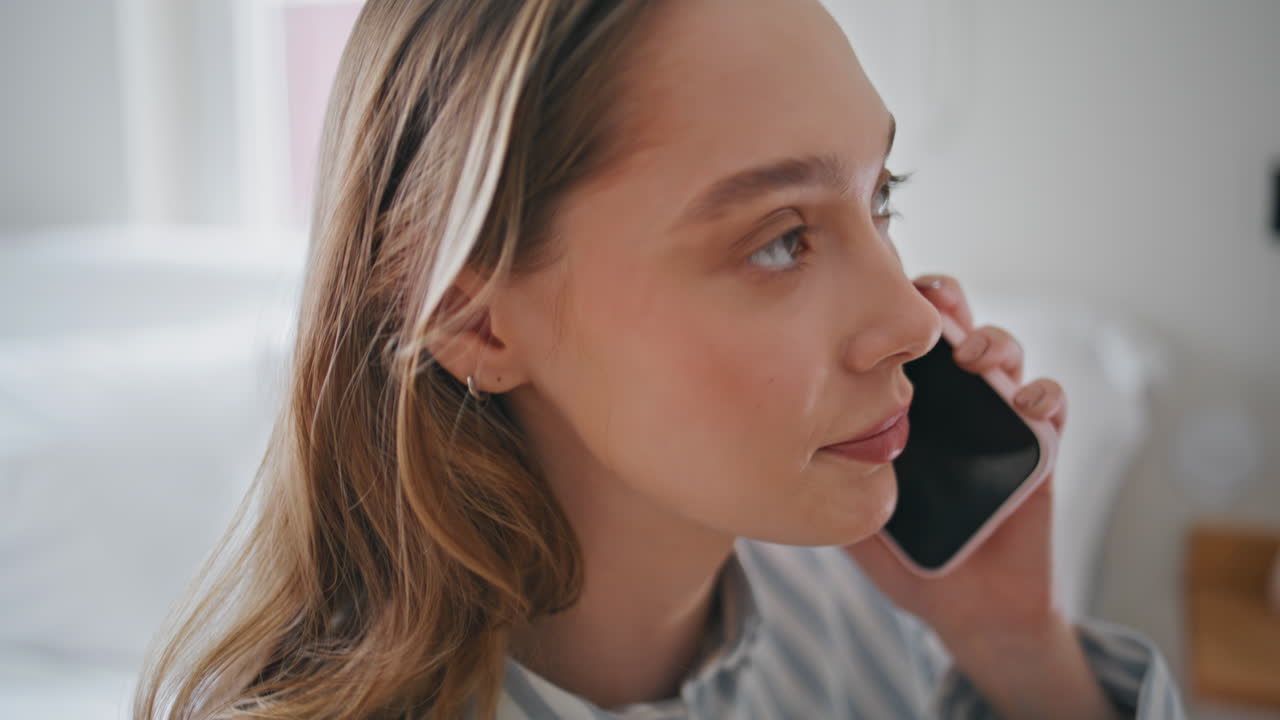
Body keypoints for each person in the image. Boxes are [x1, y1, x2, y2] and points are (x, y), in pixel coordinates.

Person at [133, 1, 1187, 718]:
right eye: (779, 238)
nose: (908, 324)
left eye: (879, 199)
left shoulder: (875, 624)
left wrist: (1017, 650)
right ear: (477, 323)